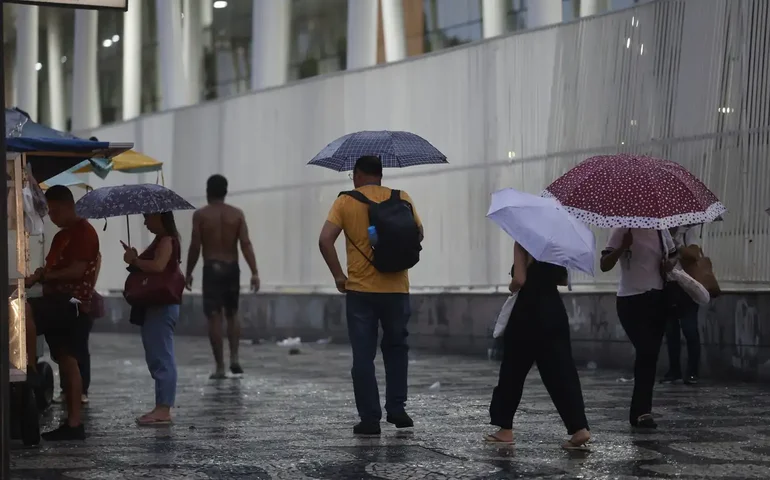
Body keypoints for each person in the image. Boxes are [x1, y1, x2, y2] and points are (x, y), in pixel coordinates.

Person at [318, 155, 423, 435]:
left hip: (361, 291)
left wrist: (339, 275)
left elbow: (325, 240)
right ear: (380, 174)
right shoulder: (402, 197)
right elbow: (418, 235)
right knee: (397, 350)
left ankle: (369, 419)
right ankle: (397, 409)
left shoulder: (345, 201)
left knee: (363, 356)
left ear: (357, 175)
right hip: (397, 288)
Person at [486, 243, 591, 449]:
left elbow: (519, 280)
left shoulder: (523, 241)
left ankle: (505, 429)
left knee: (512, 373)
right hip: (554, 312)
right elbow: (563, 279)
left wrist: (512, 285)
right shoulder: (556, 243)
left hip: (527, 314)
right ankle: (580, 428)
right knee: (562, 372)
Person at [24, 185, 99, 441]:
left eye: (54, 211)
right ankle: (74, 423)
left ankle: (30, 370)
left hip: (70, 303)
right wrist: (39, 275)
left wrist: (44, 276)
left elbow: (76, 271)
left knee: (23, 310)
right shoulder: (61, 236)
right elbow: (52, 266)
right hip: (56, 299)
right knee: (66, 361)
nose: (52, 217)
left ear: (68, 206)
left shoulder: (84, 233)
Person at [185, 174, 260, 379]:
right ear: (226, 192)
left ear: (208, 191)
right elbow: (246, 244)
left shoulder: (201, 215)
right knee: (232, 313)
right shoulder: (236, 214)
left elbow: (195, 246)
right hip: (231, 267)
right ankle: (235, 358)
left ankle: (220, 366)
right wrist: (254, 272)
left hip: (211, 268)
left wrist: (188, 272)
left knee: (214, 316)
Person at [601, 228, 672, 429]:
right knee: (646, 350)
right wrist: (623, 246)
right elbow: (605, 265)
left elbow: (673, 256)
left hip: (657, 298)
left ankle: (642, 412)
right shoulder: (622, 230)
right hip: (630, 300)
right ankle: (640, 411)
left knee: (650, 355)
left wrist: (669, 264)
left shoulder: (661, 230)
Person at [123, 212, 182, 425]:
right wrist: (135, 259)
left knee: (162, 356)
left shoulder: (167, 240)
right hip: (156, 306)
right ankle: (160, 406)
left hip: (161, 305)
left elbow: (158, 267)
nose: (146, 222)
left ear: (160, 217)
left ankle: (164, 408)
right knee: (156, 355)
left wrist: (135, 260)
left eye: (148, 217)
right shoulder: (160, 240)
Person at [55, 253, 101, 406]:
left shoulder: (90, 253)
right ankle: (68, 390)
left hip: (81, 304)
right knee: (65, 349)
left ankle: (80, 390)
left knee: (78, 348)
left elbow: (90, 278)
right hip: (65, 302)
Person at [661, 225, 701, 385]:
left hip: (686, 286)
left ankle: (692, 372)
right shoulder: (660, 231)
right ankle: (674, 371)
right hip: (667, 285)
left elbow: (694, 254)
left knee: (690, 330)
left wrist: (676, 243)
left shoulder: (687, 230)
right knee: (671, 331)